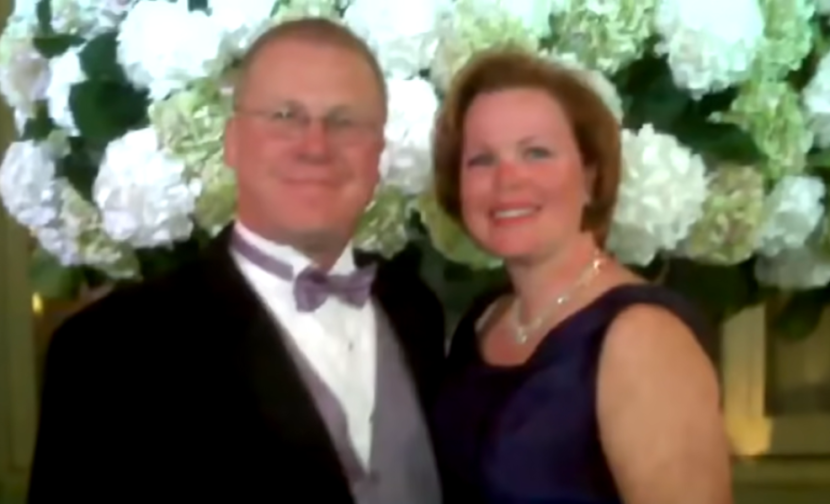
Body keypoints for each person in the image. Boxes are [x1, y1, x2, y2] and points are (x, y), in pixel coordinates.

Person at [27, 19, 445, 504]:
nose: (315, 146)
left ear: (378, 155)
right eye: (286, 116)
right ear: (233, 142)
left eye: (345, 121)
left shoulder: (416, 308)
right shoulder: (106, 351)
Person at [429, 49, 732, 504]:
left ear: (590, 176)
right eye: (481, 160)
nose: (508, 179)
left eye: (536, 153)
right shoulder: (485, 319)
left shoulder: (642, 338)